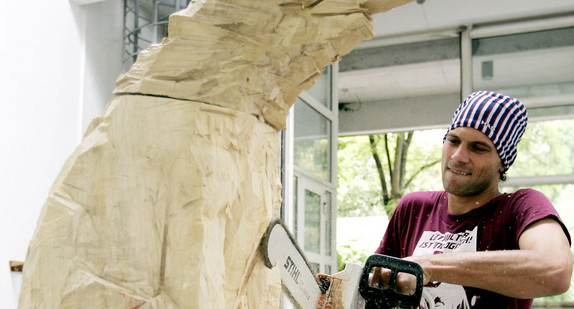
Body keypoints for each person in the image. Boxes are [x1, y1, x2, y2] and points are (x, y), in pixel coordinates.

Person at [373, 91, 573, 308]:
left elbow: (555, 270)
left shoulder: (520, 207)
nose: (458, 156)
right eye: (453, 140)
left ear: (503, 162)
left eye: (478, 148)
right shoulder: (414, 208)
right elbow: (373, 285)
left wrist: (427, 267)